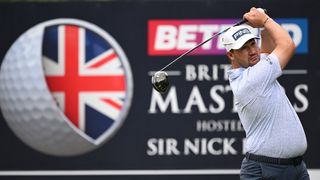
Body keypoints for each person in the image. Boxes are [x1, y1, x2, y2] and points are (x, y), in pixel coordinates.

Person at [221, 7, 309, 179]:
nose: (253, 51)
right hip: (266, 171)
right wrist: (265, 20)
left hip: (295, 168)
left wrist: (262, 28)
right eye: (244, 48)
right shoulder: (251, 80)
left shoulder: (253, 69)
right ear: (231, 55)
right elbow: (287, 45)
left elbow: (266, 53)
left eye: (253, 43)